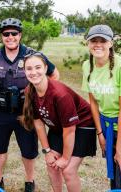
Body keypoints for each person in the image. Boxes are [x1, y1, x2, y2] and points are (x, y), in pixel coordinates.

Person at [0, 18, 59, 191]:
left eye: (14, 33)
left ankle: (30, 181)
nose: (10, 37)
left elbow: (54, 74)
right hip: (1, 111)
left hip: (26, 111)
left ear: (20, 35)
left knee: (28, 150)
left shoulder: (32, 55)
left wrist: (43, 97)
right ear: (1, 36)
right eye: (6, 34)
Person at [21, 52, 96, 192]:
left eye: (38, 67)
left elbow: (70, 130)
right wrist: (47, 151)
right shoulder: (29, 91)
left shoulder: (60, 94)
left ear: (45, 69)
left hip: (82, 125)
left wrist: (65, 158)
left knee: (67, 170)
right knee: (52, 164)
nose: (34, 72)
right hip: (60, 127)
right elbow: (38, 123)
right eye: (29, 69)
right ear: (24, 71)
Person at [82, 24, 121, 189]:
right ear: (88, 44)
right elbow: (93, 102)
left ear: (111, 43)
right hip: (106, 125)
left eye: (102, 40)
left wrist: (119, 146)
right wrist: (100, 134)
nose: (98, 44)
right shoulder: (87, 66)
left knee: (119, 161)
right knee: (115, 170)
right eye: (93, 40)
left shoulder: (119, 66)